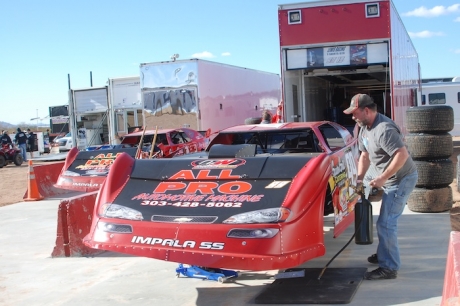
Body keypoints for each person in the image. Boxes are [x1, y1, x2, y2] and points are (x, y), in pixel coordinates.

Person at [343, 93, 418, 280]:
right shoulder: (364, 128)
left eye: (355, 113)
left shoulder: (384, 129)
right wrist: (359, 178)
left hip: (401, 179)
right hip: (389, 177)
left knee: (386, 222)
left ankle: (389, 267)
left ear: (366, 110)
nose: (353, 117)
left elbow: (402, 155)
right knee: (383, 221)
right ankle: (385, 252)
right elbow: (365, 155)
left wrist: (383, 178)